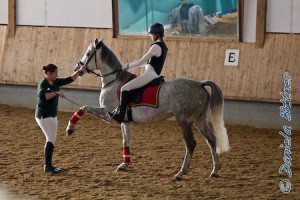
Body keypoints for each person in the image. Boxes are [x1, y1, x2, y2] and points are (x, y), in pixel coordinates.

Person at [109, 23, 168, 123]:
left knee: (124, 88)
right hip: (152, 74)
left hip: (150, 75)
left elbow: (141, 61)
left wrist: (127, 65)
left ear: (157, 34)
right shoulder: (163, 46)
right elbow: (146, 63)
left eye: (152, 34)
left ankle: (120, 116)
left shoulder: (156, 47)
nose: (151, 36)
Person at [35, 63, 85, 174]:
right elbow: (43, 96)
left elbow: (68, 79)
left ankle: (48, 165)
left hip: (52, 114)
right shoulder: (43, 84)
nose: (57, 75)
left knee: (52, 139)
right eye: (55, 73)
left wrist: (79, 72)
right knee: (50, 139)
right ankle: (47, 166)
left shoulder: (55, 81)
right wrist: (56, 92)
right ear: (49, 73)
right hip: (43, 116)